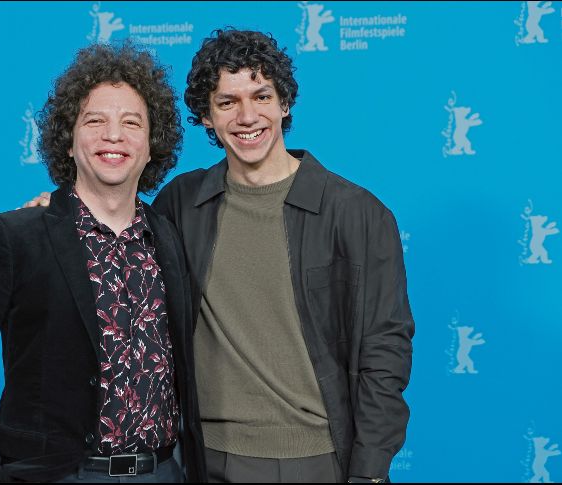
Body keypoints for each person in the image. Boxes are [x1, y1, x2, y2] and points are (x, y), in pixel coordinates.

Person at [27, 28, 414, 484]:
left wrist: (368, 473)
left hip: (316, 459)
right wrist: (52, 212)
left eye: (261, 96)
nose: (247, 116)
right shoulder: (181, 203)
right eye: (227, 102)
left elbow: (385, 353)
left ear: (285, 103)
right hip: (201, 459)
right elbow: (106, 219)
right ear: (207, 118)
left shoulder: (357, 214)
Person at [0, 42, 206, 483]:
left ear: (152, 146)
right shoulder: (15, 237)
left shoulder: (167, 236)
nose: (114, 135)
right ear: (68, 142)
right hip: (59, 474)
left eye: (132, 123)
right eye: (95, 121)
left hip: (164, 472)